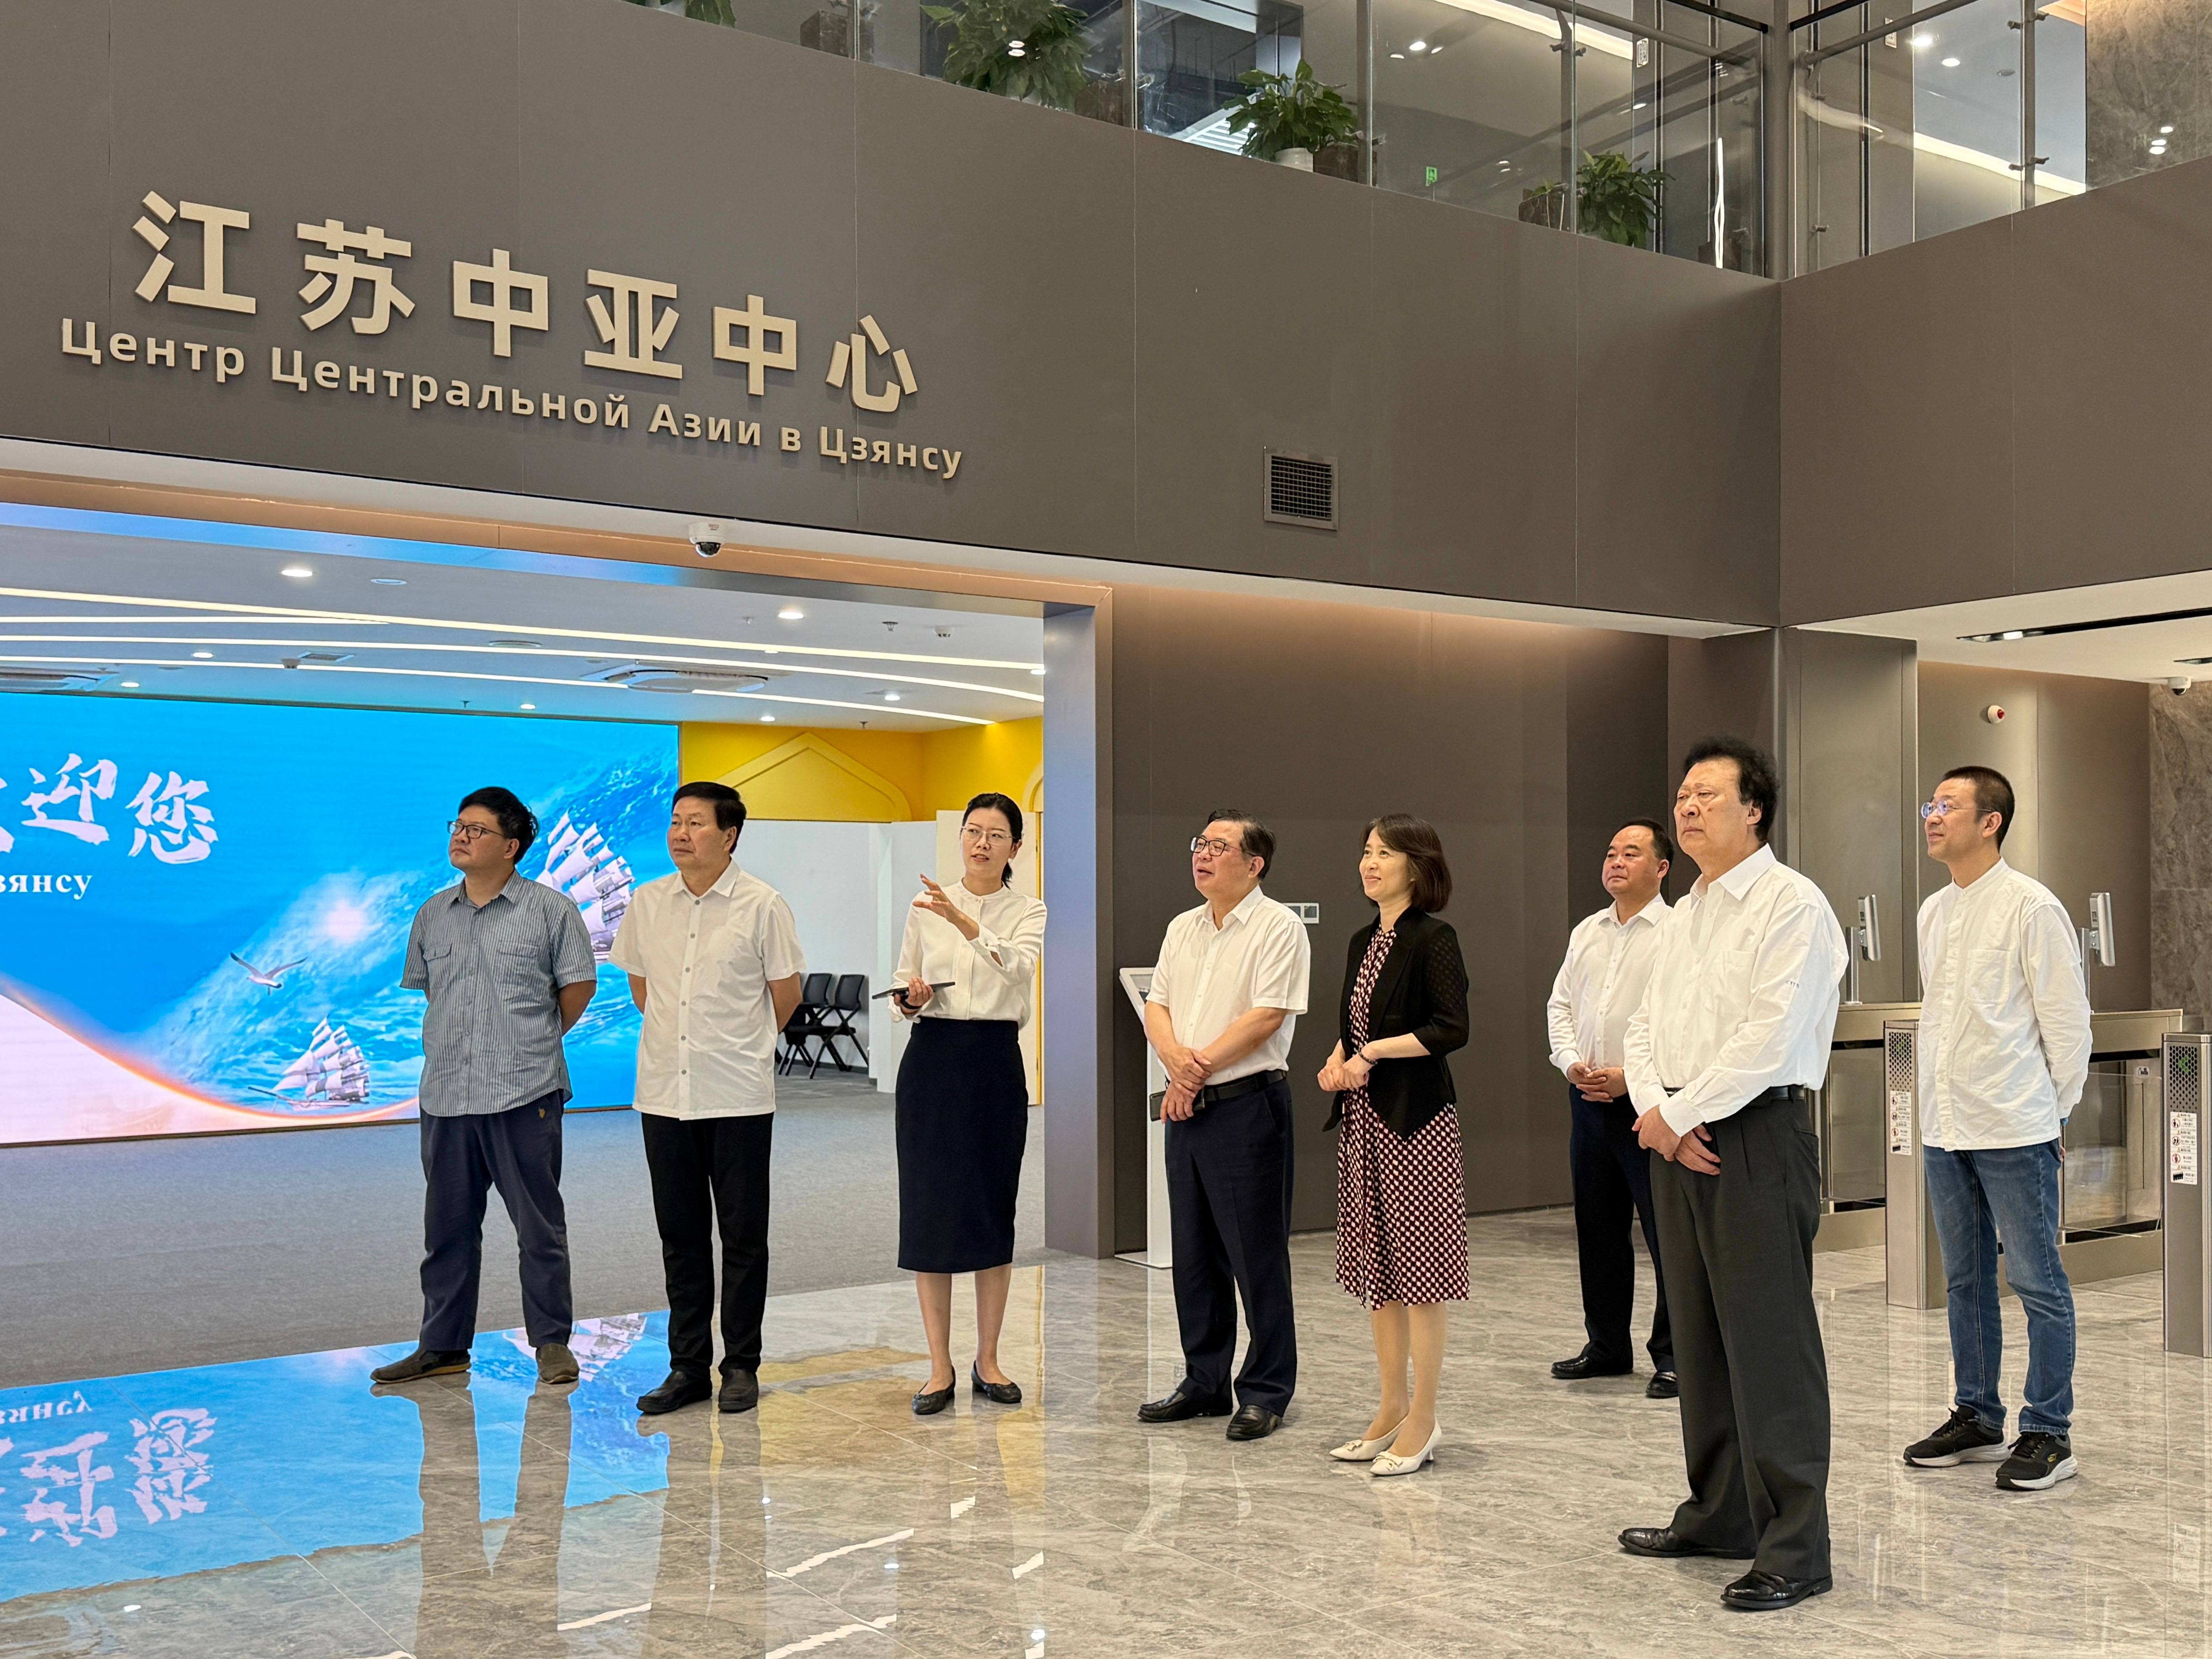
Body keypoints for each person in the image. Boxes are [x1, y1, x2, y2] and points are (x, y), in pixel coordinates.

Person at [1617, 737, 1846, 1614]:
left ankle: (1797, 1547)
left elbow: (1772, 1037)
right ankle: (1719, 1515)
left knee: (1769, 1346)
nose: (1687, 807)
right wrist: (1658, 1112)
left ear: (1755, 810)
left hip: (1754, 1134)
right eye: (1682, 794)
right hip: (1678, 1137)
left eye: (1707, 794)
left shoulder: (1793, 905)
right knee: (1701, 1340)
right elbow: (1643, 1026)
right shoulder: (1685, 911)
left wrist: (1679, 1114)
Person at [1902, 765, 2091, 1492]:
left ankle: (2049, 1431)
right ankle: (1977, 1415)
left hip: (2014, 1123)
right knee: (1965, 1279)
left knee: (2037, 1280)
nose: (1933, 815)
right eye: (1931, 804)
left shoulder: (2031, 907)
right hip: (1946, 1125)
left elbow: (2067, 1026)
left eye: (1948, 805)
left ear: (1991, 823)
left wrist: (2053, 1113)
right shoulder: (1933, 911)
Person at [372, 787, 598, 1387]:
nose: (461, 837)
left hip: (524, 1090)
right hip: (447, 1093)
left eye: (477, 830)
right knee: (447, 1230)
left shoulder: (551, 911)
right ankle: (442, 1345)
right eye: (458, 826)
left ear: (512, 846)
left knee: (538, 1228)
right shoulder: (432, 914)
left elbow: (577, 988)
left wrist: (528, 1041)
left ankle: (551, 1343)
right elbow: (433, 992)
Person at [610, 782, 805, 1417]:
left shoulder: (762, 904)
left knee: (744, 1238)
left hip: (737, 1094)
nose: (680, 833)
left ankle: (741, 1365)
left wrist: (742, 1046)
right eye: (676, 821)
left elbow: (786, 995)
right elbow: (643, 990)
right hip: (665, 1093)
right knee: (681, 1237)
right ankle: (688, 1367)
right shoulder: (647, 902)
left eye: (695, 823)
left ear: (730, 835)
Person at [1140, 810, 1312, 1443]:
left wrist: (1194, 1072)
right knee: (1194, 1254)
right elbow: (1157, 1004)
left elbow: (1266, 1016)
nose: (1203, 855)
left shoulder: (1279, 927)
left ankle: (1266, 1390)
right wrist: (1178, 1067)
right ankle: (1204, 1381)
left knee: (1255, 1255)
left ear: (1254, 864)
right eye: (1201, 844)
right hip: (1188, 1106)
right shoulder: (1182, 927)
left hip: (1247, 1106)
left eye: (1219, 846)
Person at [1317, 815, 1469, 1477]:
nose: (1369, 862)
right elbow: (1356, 1027)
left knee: (1421, 1276)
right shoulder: (1362, 940)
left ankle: (1424, 1419)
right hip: (1364, 1122)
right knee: (1379, 1277)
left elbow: (1451, 1028)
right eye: (1366, 852)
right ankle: (1390, 1408)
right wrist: (1338, 1060)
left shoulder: (1435, 938)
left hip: (1416, 1124)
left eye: (1384, 852)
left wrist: (1372, 1054)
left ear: (1417, 865)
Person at [890, 791, 1048, 1416]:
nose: (982, 843)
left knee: (990, 1207)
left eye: (996, 835)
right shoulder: (924, 906)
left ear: (1016, 847)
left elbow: (1018, 969)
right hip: (932, 1061)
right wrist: (911, 997)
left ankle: (989, 1359)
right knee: (929, 1210)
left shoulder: (1028, 909)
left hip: (993, 1062)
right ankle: (938, 1366)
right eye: (973, 831)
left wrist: (962, 920)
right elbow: (904, 981)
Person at [1546, 819, 1677, 1398]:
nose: (1616, 862)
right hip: (1588, 1101)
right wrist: (1571, 1062)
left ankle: (1674, 1355)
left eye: (1631, 853)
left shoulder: (1677, 931)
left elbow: (1675, 1018)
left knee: (1667, 1235)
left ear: (1662, 869)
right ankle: (1606, 1346)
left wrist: (1631, 1078)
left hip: (1648, 1104)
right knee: (1598, 1229)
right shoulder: (1587, 931)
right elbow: (1560, 1006)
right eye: (1611, 853)